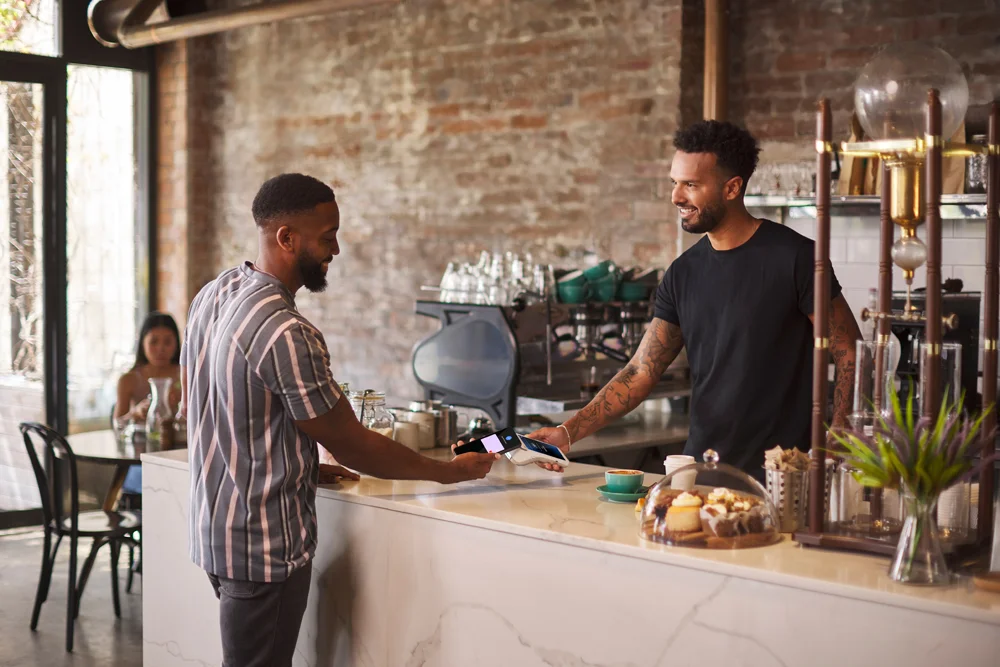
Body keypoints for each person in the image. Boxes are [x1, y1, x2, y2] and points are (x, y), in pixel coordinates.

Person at [181, 173, 498, 667]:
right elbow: (353, 444)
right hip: (264, 549)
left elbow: (228, 414)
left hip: (215, 534)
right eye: (327, 236)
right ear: (286, 237)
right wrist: (446, 472)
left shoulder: (215, 295)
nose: (336, 249)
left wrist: (302, 461)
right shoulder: (286, 331)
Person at [529, 120, 861, 478]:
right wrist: (567, 432)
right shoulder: (682, 273)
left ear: (732, 188)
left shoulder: (796, 258)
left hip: (784, 474)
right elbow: (641, 371)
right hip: (702, 469)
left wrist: (839, 439)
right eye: (675, 183)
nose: (676, 197)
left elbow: (850, 354)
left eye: (691, 185)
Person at [114, 311, 183, 498]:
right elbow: (117, 425)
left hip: (180, 458)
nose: (161, 349)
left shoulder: (187, 376)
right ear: (142, 343)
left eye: (168, 342)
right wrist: (135, 412)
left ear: (177, 344)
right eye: (154, 342)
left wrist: (184, 405)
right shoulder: (128, 380)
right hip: (141, 460)